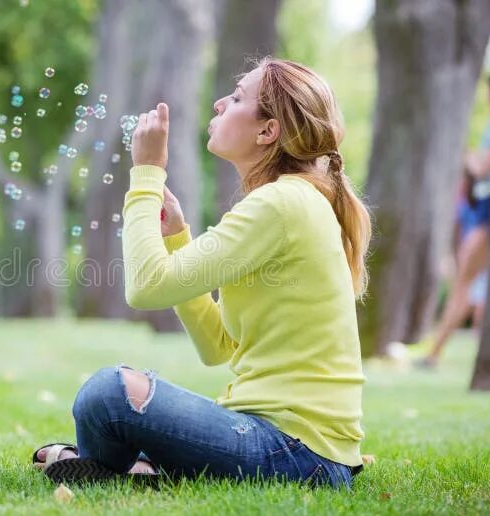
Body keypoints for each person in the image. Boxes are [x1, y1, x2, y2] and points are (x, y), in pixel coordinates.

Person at [33, 58, 371, 489]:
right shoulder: (287, 202)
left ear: (268, 131)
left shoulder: (282, 204)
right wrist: (176, 236)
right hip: (293, 448)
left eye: (236, 97)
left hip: (295, 452)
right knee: (114, 397)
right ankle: (134, 468)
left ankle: (116, 465)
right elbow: (218, 345)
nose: (218, 104)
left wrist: (147, 173)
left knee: (109, 394)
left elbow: (144, 286)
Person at [418, 70, 490, 369]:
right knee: (466, 284)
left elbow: (483, 168)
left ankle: (433, 355)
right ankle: (433, 352)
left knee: (463, 284)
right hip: (488, 211)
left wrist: (466, 156)